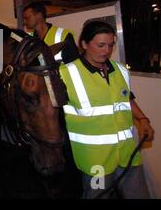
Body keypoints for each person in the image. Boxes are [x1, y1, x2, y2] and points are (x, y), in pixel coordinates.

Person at [59, 20, 155, 199]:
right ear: (84, 44)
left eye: (110, 45)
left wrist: (143, 120)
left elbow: (126, 97)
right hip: (96, 162)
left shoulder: (119, 70)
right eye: (100, 45)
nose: (106, 51)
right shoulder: (66, 73)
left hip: (128, 154)